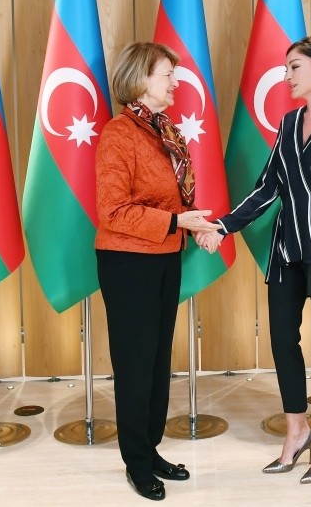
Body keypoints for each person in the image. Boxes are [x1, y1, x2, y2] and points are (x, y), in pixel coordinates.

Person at [198, 36, 311, 484]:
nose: (287, 75)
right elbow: (266, 187)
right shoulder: (289, 123)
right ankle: (297, 431)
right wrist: (222, 226)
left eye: (295, 66)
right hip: (286, 252)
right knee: (281, 341)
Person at [95, 41, 220, 501]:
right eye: (167, 74)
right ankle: (137, 463)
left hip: (166, 255)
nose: (175, 82)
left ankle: (150, 449)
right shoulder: (119, 133)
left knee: (157, 362)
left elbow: (174, 199)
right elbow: (113, 211)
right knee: (135, 365)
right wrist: (176, 222)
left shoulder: (166, 130)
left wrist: (196, 226)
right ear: (140, 79)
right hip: (128, 262)